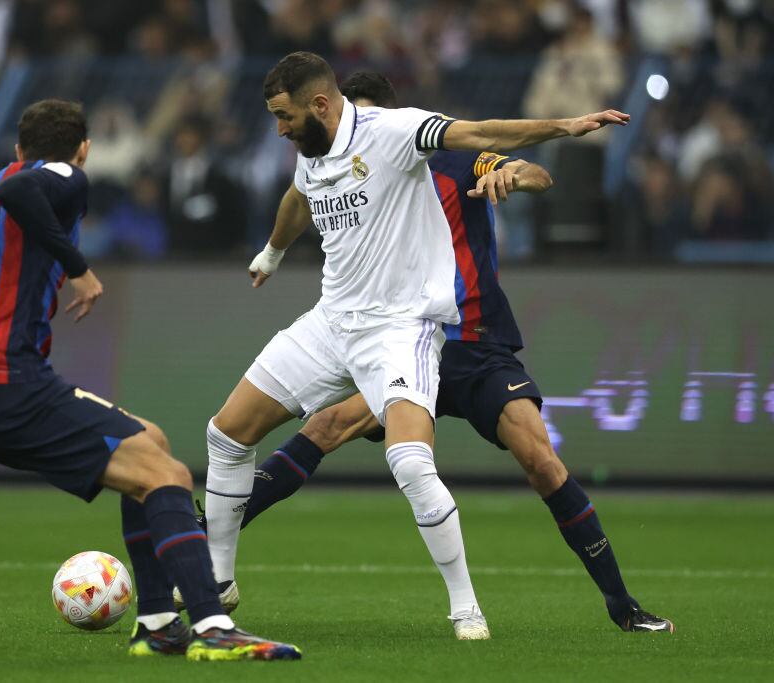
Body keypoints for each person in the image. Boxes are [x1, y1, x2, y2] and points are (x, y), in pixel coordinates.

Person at [0, 99, 301, 662]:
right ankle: (214, 628)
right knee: (166, 473)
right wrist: (79, 268)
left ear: (17, 149)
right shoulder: (63, 177)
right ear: (83, 150)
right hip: (10, 382)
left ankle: (160, 622)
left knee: (149, 443)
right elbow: (23, 191)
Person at [197, 52, 630, 641]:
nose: (280, 129)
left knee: (497, 457)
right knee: (242, 432)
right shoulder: (318, 155)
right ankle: (213, 579)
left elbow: (516, 159)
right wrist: (271, 253)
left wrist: (558, 134)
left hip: (447, 338)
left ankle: (557, 604)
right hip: (336, 324)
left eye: (285, 116)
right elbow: (298, 200)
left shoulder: (414, 140)